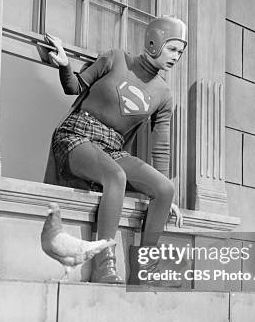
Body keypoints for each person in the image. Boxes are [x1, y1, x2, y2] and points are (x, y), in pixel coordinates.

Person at [44, 16, 186, 285]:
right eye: (172, 48)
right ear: (154, 42)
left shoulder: (164, 94)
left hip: (112, 147)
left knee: (165, 189)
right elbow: (73, 87)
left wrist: (167, 196)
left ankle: (148, 269)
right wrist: (64, 65)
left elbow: (161, 146)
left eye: (180, 51)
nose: (176, 57)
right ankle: (103, 264)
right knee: (116, 176)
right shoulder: (116, 59)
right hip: (76, 134)